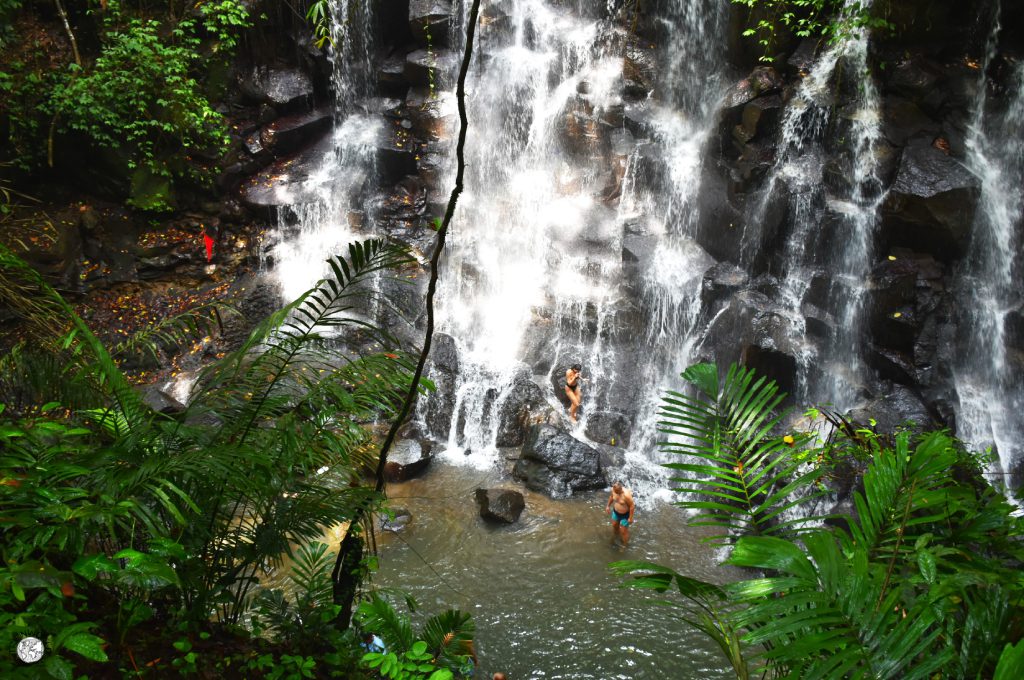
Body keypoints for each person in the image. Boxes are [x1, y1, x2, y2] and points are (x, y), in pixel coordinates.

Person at [605, 481, 635, 547]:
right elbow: (611, 497)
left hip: (625, 515)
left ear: (621, 489)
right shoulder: (613, 490)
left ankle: (624, 545)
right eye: (615, 491)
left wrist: (630, 518)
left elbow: (632, 506)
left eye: (617, 492)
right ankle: (615, 537)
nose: (616, 493)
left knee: (623, 532)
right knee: (615, 526)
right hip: (616, 512)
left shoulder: (626, 495)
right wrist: (608, 506)